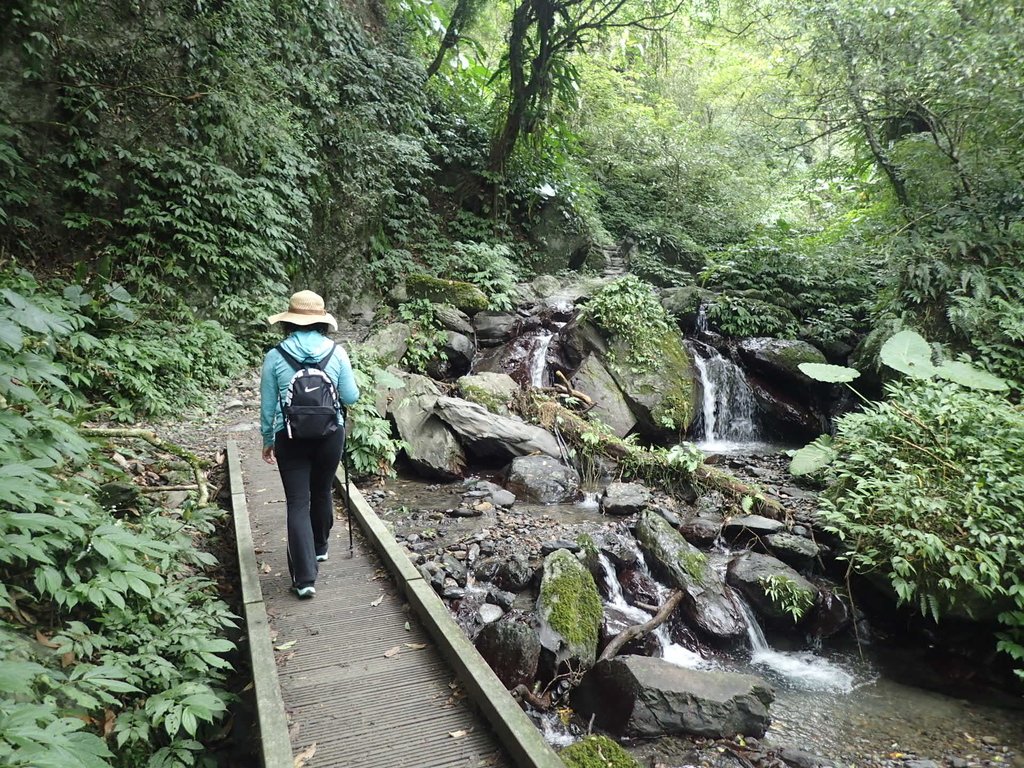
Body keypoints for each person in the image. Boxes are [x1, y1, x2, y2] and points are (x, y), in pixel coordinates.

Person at [260, 290, 359, 599]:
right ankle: (320, 547)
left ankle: (304, 579)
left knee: (297, 502)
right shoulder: (337, 352)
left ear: (288, 322)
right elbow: (350, 397)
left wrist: (267, 440)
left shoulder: (275, 356)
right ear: (322, 321)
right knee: (322, 489)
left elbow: (267, 405)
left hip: (289, 437)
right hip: (331, 435)